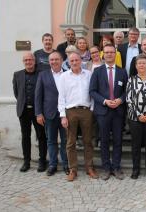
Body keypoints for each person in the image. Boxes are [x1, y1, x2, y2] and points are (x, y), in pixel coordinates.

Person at [89, 44, 128, 180]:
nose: (109, 54)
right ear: (103, 54)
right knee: (104, 141)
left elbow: (126, 91)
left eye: (112, 52)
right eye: (107, 52)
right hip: (103, 111)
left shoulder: (122, 72)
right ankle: (106, 168)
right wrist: (105, 101)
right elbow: (92, 91)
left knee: (118, 140)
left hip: (118, 111)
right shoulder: (97, 71)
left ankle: (116, 167)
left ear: (115, 54)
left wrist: (120, 100)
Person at [58, 52, 98, 181]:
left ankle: (89, 167)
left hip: (86, 111)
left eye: (76, 60)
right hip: (71, 112)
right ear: (68, 62)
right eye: (72, 61)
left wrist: (91, 109)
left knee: (88, 141)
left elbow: (92, 93)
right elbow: (61, 97)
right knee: (70, 142)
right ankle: (73, 169)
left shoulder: (88, 74)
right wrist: (63, 116)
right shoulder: (64, 77)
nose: (74, 62)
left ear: (81, 60)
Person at [34, 51, 69, 176]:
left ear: (61, 60)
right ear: (49, 62)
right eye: (52, 60)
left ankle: (66, 164)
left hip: (65, 114)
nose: (54, 62)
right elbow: (38, 96)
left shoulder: (68, 74)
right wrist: (38, 113)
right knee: (51, 141)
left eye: (56, 59)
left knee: (66, 140)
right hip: (49, 113)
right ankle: (53, 164)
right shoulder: (43, 75)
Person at [12, 52, 47, 172]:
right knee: (25, 136)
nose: (28, 62)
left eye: (30, 60)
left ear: (34, 60)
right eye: (26, 60)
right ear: (23, 62)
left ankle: (42, 161)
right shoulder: (17, 75)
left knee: (41, 136)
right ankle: (26, 161)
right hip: (24, 111)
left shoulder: (42, 74)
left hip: (38, 111)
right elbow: (17, 93)